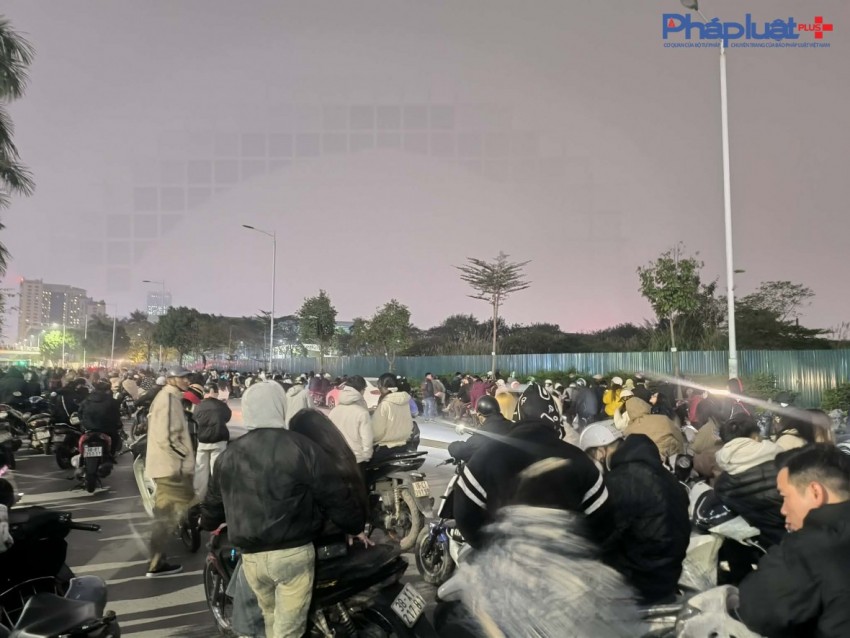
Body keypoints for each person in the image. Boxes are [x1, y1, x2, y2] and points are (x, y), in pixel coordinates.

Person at [200, 383, 364, 638]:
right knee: (288, 631)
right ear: (280, 406)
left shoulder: (228, 455)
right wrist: (354, 525)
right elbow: (333, 494)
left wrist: (206, 521)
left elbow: (213, 505)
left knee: (270, 619)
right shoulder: (302, 447)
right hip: (293, 555)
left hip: (252, 559)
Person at [454, 383, 612, 549]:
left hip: (504, 558)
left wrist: (488, 548)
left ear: (518, 415)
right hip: (565, 561)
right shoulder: (580, 460)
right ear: (554, 418)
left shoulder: (487, 455)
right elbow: (602, 519)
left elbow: (464, 513)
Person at [737, 444, 850, 637]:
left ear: (815, 492)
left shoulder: (810, 547)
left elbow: (754, 610)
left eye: (785, 496)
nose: (783, 509)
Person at [578, 423, 690, 604]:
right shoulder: (665, 474)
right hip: (669, 574)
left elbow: (599, 536)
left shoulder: (620, 482)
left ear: (600, 452)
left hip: (639, 582)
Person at [145, 367, 195, 577]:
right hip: (170, 468)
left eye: (187, 377)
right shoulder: (167, 399)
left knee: (166, 515)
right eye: (182, 377)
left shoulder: (172, 398)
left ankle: (157, 560)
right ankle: (156, 563)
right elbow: (166, 437)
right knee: (168, 516)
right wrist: (185, 455)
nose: (186, 381)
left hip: (169, 467)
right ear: (171, 379)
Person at [714, 413, 786, 547]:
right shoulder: (784, 466)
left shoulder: (722, 483)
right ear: (755, 437)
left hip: (752, 544)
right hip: (792, 536)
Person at [193, 385, 231, 500]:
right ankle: (217, 496)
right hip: (219, 440)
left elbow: (195, 419)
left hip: (202, 440)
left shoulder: (198, 405)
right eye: (217, 391)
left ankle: (199, 497)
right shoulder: (221, 405)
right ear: (212, 391)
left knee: (200, 469)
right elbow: (227, 418)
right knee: (216, 469)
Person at [448, 395, 513, 462]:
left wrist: (452, 446)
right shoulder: (512, 425)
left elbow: (462, 450)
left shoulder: (483, 434)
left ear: (479, 414)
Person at [328, 376, 374, 464]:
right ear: (361, 390)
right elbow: (367, 439)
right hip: (356, 459)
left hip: (336, 458)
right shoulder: (362, 413)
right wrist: (367, 456)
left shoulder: (333, 411)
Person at [623, 397, 685, 461]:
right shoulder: (662, 418)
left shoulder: (628, 431)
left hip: (651, 459)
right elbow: (677, 434)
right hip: (672, 453)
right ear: (644, 405)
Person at [371, 373, 414, 460]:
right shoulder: (405, 402)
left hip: (384, 449)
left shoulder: (385, 404)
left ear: (383, 387)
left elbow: (377, 432)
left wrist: (369, 438)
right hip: (403, 446)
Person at [78, 380, 124, 459]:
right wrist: (117, 424)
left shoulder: (87, 399)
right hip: (106, 428)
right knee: (115, 437)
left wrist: (83, 423)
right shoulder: (111, 401)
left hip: (88, 428)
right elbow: (116, 415)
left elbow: (80, 412)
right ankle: (111, 455)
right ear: (107, 390)